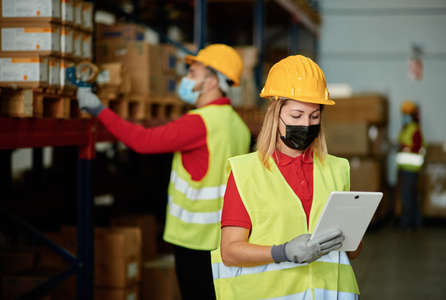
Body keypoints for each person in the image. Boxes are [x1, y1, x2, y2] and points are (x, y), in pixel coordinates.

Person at [77, 44, 251, 299]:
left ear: (212, 82)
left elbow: (143, 141)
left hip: (195, 239)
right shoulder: (238, 125)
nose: (186, 78)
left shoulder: (199, 123)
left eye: (193, 73)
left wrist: (98, 110)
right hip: (225, 238)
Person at [210, 55, 361, 300]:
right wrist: (282, 252)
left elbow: (352, 252)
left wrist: (353, 233)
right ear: (275, 114)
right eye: (296, 115)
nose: (306, 125)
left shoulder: (337, 169)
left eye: (314, 116)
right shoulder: (246, 172)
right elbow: (230, 251)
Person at [396, 100, 425, 230]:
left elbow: (418, 148)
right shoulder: (405, 129)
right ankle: (414, 223)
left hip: (411, 170)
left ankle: (406, 224)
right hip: (404, 168)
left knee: (408, 198)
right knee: (410, 197)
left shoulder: (415, 130)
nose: (404, 117)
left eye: (406, 114)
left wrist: (404, 147)